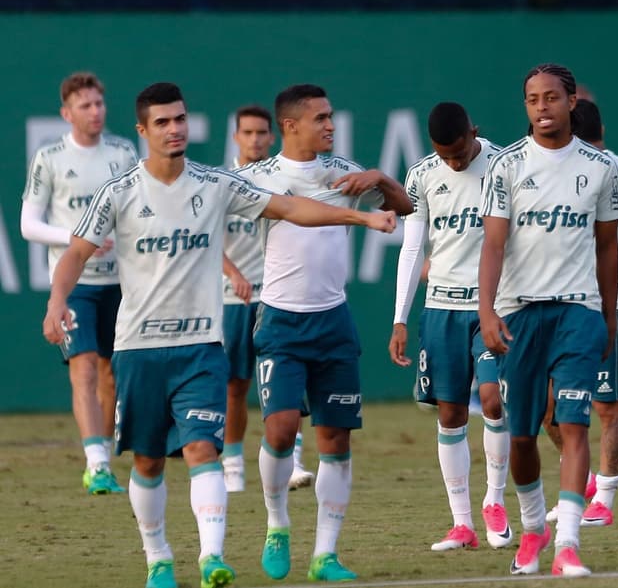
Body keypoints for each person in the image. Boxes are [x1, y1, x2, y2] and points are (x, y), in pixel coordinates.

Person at [42, 82, 396, 588]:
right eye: (162, 122)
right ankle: (159, 558)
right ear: (143, 131)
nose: (175, 129)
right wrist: (57, 302)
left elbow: (291, 208)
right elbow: (76, 252)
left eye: (181, 119)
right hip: (139, 348)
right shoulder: (119, 193)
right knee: (146, 461)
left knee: (202, 450)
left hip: (202, 347)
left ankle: (211, 558)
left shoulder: (215, 184)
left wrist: (358, 216)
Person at [238, 84, 412, 583]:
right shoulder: (259, 178)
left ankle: (326, 555)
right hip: (281, 320)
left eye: (331, 116)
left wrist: (380, 178)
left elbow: (406, 208)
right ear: (290, 126)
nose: (331, 125)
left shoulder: (345, 172)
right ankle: (277, 525)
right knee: (281, 427)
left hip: (334, 319)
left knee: (335, 438)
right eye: (320, 118)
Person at [479, 63, 618, 578]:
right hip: (520, 313)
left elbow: (608, 249)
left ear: (571, 104)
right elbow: (493, 243)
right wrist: (486, 310)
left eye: (551, 98)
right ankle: (534, 527)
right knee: (521, 434)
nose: (542, 107)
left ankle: (567, 543)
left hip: (579, 311)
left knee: (573, 422)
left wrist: (607, 317)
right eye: (532, 99)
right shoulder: (508, 166)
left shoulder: (599, 168)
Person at [389, 102, 512, 551]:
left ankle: (494, 502)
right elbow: (411, 250)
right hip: (440, 310)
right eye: (445, 155)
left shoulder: (504, 165)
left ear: (473, 133)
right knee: (450, 414)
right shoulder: (422, 175)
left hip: (491, 307)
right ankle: (462, 525)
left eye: (459, 153)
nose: (454, 162)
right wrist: (400, 318)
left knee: (493, 397)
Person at [21, 71, 137, 495]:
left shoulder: (124, 152)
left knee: (111, 374)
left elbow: (135, 212)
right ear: (66, 113)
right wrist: (77, 240)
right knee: (83, 367)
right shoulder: (49, 157)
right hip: (76, 285)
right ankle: (98, 464)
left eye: (99, 104)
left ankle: (102, 453)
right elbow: (29, 224)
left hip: (120, 282)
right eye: (85, 106)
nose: (95, 112)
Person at [539, 98, 618, 528]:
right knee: (547, 407)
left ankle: (605, 497)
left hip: (611, 300)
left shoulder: (608, 169)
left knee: (607, 407)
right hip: (567, 301)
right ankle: (580, 481)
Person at [220, 105, 315, 493]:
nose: (255, 139)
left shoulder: (281, 180)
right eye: (248, 133)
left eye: (262, 133)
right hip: (233, 299)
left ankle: (291, 459)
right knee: (236, 385)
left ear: (271, 137)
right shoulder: (223, 182)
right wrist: (233, 273)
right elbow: (202, 238)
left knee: (288, 380)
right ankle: (231, 463)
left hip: (280, 297)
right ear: (236, 137)